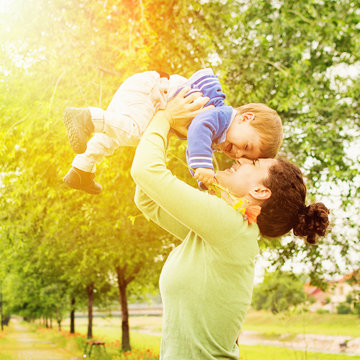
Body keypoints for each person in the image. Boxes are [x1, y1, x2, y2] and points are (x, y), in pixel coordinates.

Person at [130, 88, 329, 359]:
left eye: (254, 162)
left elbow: (144, 172)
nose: (241, 159)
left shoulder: (230, 227)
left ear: (260, 191)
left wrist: (165, 117)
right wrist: (182, 130)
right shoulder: (226, 231)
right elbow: (148, 200)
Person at [62, 68, 283, 194]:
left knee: (113, 136)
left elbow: (194, 145)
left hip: (151, 96)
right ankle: (86, 118)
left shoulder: (219, 132)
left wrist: (202, 180)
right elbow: (198, 130)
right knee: (135, 133)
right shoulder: (219, 114)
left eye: (244, 157)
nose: (237, 154)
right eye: (246, 147)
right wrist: (203, 166)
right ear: (245, 118)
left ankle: (81, 171)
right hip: (151, 92)